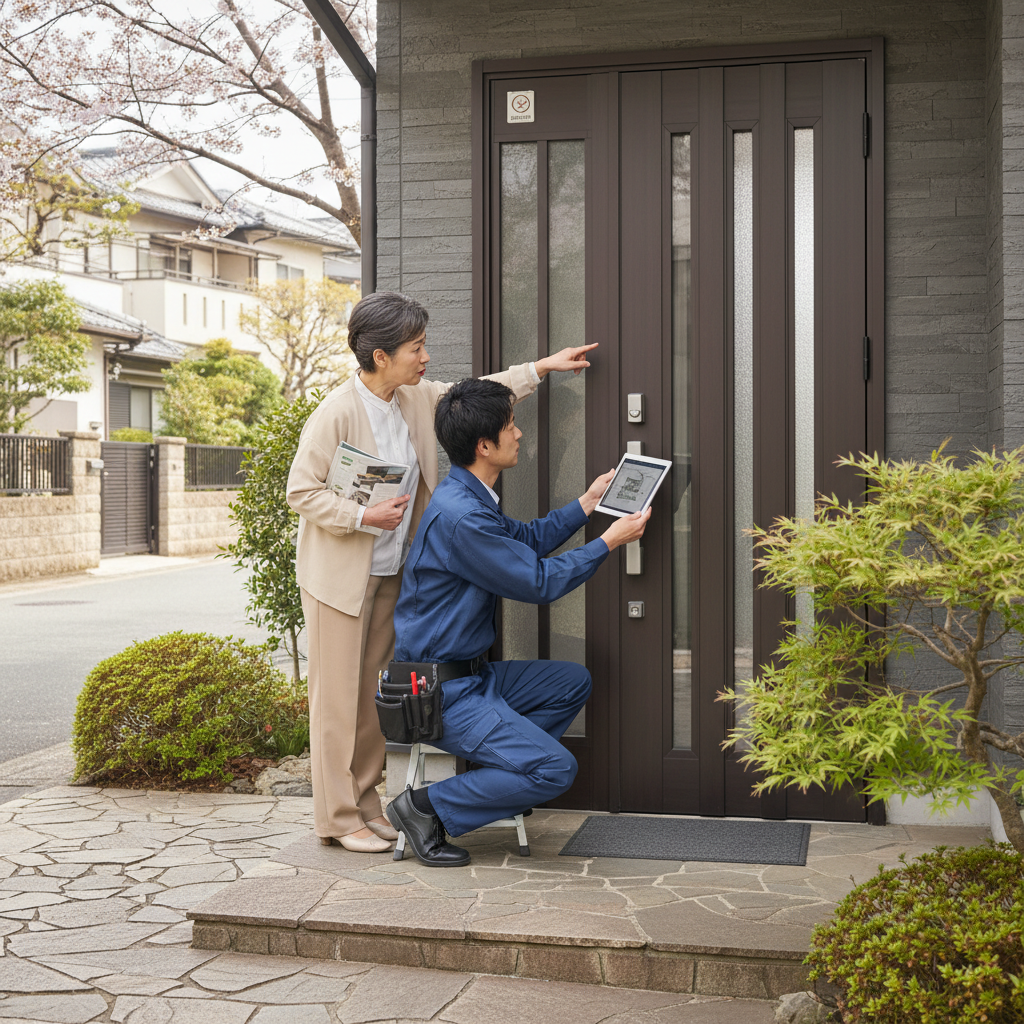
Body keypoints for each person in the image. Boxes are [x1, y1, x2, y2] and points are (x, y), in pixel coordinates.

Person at [286, 291, 596, 853]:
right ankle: (337, 818)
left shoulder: (413, 398)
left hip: (392, 573)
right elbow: (300, 491)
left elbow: (474, 396)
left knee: (375, 700)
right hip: (340, 580)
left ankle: (369, 806)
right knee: (335, 702)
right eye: (416, 347)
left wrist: (541, 369)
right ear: (381, 356)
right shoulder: (338, 411)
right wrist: (363, 513)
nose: (425, 357)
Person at [387, 378, 650, 866]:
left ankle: (504, 781)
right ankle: (424, 807)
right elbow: (538, 582)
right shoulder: (462, 516)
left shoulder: (471, 496)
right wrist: (608, 542)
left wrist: (587, 505)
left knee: (570, 682)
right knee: (555, 769)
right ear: (484, 445)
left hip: (473, 677)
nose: (520, 434)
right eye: (511, 426)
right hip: (440, 695)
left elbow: (525, 541)